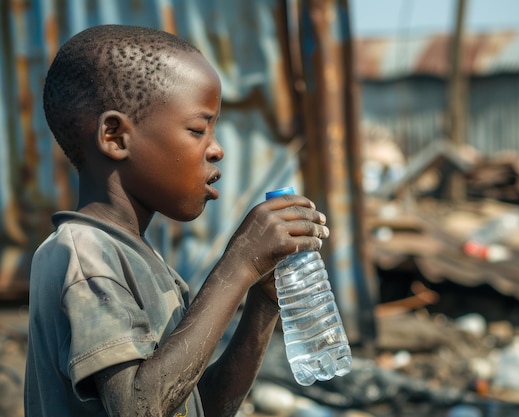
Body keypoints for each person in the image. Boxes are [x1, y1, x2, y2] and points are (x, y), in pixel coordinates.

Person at [24, 24, 329, 417]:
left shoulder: (141, 259)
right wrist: (239, 264)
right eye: (198, 130)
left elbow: (197, 405)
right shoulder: (84, 256)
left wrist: (263, 300)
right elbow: (139, 408)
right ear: (115, 137)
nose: (216, 149)